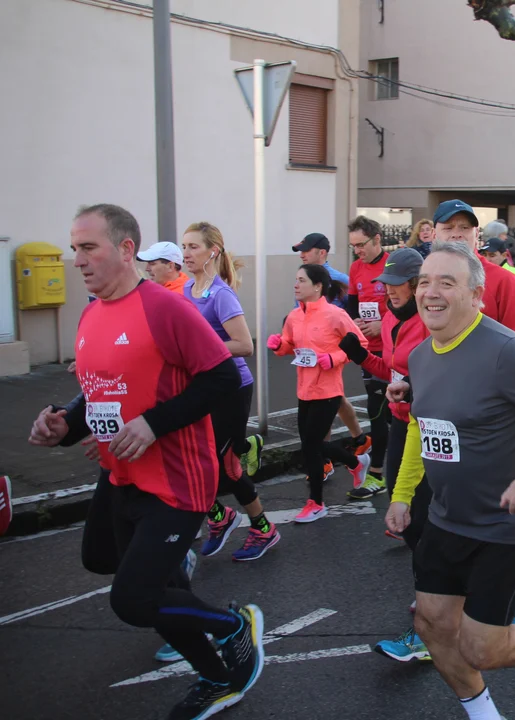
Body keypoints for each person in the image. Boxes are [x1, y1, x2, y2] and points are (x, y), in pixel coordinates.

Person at [30, 204, 265, 719]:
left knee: (135, 599)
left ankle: (233, 627)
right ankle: (218, 677)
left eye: (88, 248)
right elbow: (99, 393)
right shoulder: (91, 314)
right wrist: (64, 426)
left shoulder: (165, 308)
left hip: (176, 480)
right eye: (74, 249)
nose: (77, 260)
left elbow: (223, 377)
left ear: (125, 249)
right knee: (104, 559)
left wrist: (154, 423)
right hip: (121, 474)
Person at [384, 241, 515, 718]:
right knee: (433, 626)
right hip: (446, 518)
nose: (431, 292)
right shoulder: (420, 356)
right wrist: (401, 495)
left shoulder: (507, 352)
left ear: (476, 295)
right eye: (424, 282)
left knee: (482, 648)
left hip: (505, 526)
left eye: (447, 283)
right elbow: (421, 425)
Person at [338, 247, 436, 663]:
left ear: (416, 284)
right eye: (386, 284)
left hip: (431, 426)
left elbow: (436, 374)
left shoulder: (431, 320)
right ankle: (438, 589)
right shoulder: (392, 319)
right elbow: (392, 371)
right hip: (401, 422)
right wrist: (362, 356)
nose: (389, 291)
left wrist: (414, 387)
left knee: (423, 514)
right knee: (404, 508)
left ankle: (437, 602)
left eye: (397, 285)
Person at [180, 222, 278, 563]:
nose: (186, 253)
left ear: (213, 252)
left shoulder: (221, 295)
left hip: (231, 388)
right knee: (191, 458)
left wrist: (201, 351)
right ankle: (219, 516)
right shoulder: (188, 289)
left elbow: (244, 345)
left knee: (227, 467)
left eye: (193, 246)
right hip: (202, 387)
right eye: (184, 246)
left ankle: (263, 528)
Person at [269, 264, 372, 521]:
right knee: (311, 444)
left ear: (318, 286)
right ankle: (355, 463)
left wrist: (334, 358)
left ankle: (316, 503)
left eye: (301, 280)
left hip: (328, 390)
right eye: (296, 279)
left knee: (312, 446)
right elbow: (289, 345)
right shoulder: (294, 316)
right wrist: (279, 345)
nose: (296, 285)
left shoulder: (335, 315)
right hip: (304, 389)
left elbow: (360, 344)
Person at [431, 199, 515, 342]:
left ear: (476, 234)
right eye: (448, 228)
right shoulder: (424, 280)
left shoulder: (505, 281)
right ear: (434, 235)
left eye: (464, 227)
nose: (457, 234)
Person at [346, 216, 392, 497]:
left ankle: (380, 473)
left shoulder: (393, 265)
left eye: (361, 244)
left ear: (377, 239)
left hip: (394, 348)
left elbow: (410, 306)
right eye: (353, 246)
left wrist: (382, 324)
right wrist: (354, 323)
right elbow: (352, 304)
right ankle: (378, 473)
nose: (357, 251)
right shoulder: (355, 268)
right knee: (378, 410)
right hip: (369, 350)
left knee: (392, 411)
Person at [294, 232, 350, 308]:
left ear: (322, 253)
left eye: (306, 250)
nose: (301, 255)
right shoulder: (302, 277)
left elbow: (354, 308)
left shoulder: (340, 279)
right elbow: (298, 308)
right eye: (301, 251)